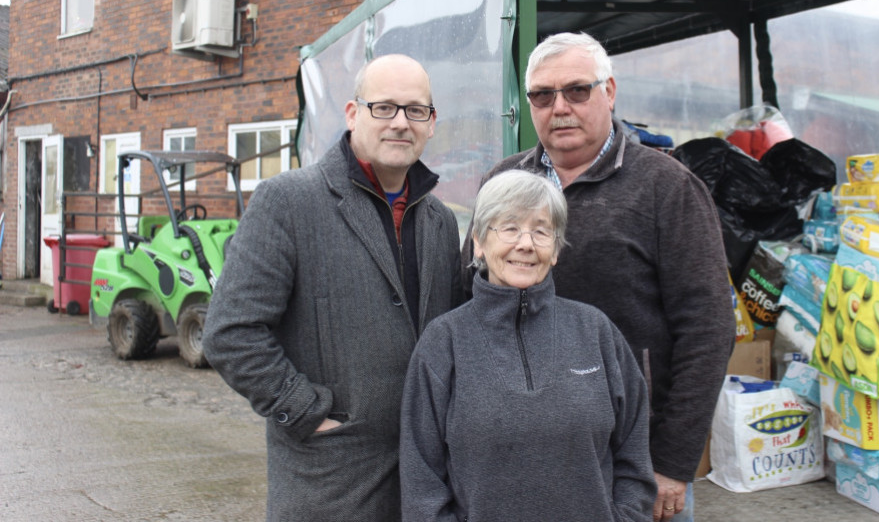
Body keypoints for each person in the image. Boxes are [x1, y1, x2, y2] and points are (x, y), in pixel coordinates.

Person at [463, 32, 735, 521]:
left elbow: (708, 327)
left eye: (577, 90)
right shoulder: (502, 183)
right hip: (518, 453)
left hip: (631, 458)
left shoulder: (666, 187)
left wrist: (673, 461)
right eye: (543, 96)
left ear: (609, 92)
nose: (559, 107)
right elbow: (469, 299)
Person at [203, 54, 464, 522]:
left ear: (431, 122)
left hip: (423, 485)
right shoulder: (288, 202)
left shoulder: (440, 221)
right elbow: (230, 332)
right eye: (383, 107)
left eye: (415, 110)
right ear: (352, 113)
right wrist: (305, 413)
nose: (400, 123)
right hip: (328, 483)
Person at [401, 170, 656, 521]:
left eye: (541, 230)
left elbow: (634, 455)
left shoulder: (596, 332)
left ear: (555, 250)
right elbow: (422, 484)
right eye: (508, 227)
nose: (525, 243)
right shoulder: (444, 342)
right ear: (478, 241)